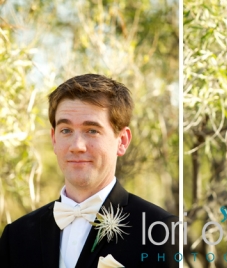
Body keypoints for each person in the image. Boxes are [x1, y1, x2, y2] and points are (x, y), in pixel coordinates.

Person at [0, 74, 178, 267]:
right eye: (66, 130)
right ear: (54, 139)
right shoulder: (15, 237)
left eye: (92, 130)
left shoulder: (159, 229)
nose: (77, 146)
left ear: (122, 141)